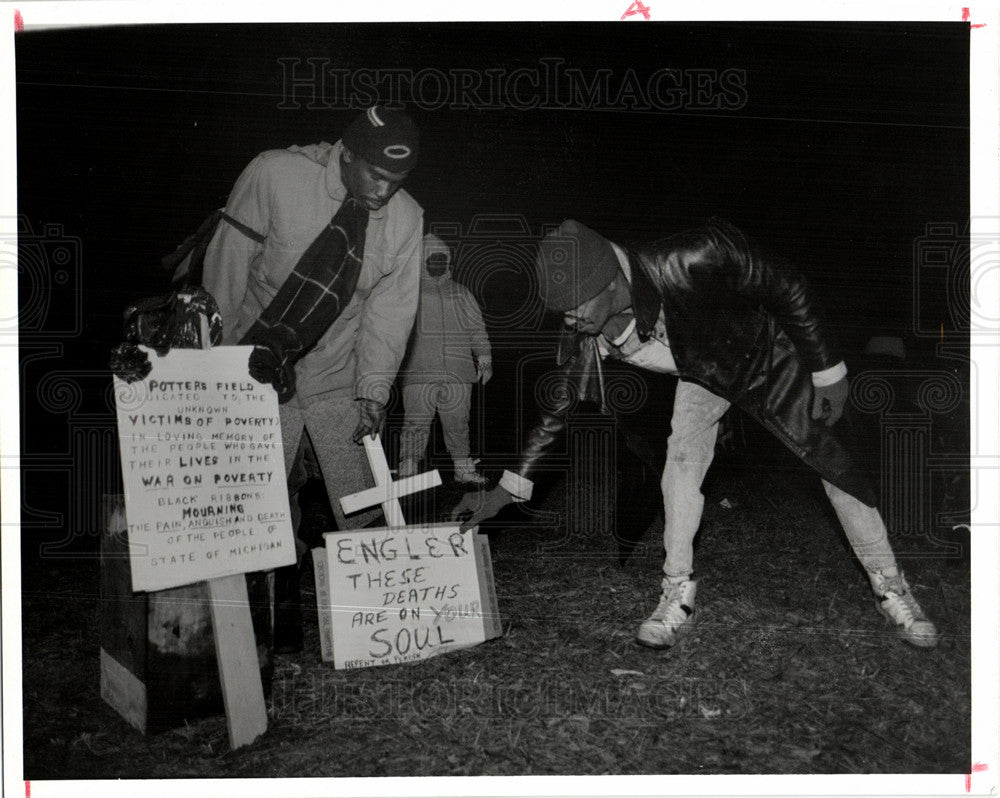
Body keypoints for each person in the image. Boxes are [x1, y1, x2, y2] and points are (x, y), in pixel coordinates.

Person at [453, 218, 939, 651]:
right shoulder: (588, 329)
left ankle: (892, 588)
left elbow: (784, 283)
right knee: (678, 473)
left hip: (768, 357)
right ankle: (677, 594)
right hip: (704, 372)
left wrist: (827, 367)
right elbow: (554, 413)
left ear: (609, 281)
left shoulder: (698, 252)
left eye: (575, 306)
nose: (569, 319)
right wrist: (503, 490)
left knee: (837, 470)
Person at [201, 106, 423, 649]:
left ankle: (378, 626)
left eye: (397, 181)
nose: (384, 192)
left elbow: (389, 316)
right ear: (345, 155)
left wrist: (373, 392)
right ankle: (270, 634)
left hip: (336, 375)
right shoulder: (275, 175)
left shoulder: (406, 219)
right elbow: (226, 271)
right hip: (254, 369)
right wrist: (209, 369)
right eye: (375, 175)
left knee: (362, 499)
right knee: (264, 506)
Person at [397, 233, 493, 485]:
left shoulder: (461, 292)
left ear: (449, 261)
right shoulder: (409, 292)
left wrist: (484, 359)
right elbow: (393, 329)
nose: (437, 263)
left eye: (442, 258)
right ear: (422, 261)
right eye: (432, 259)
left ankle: (462, 469)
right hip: (418, 371)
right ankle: (408, 466)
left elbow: (477, 328)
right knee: (416, 421)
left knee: (458, 422)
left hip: (458, 372)